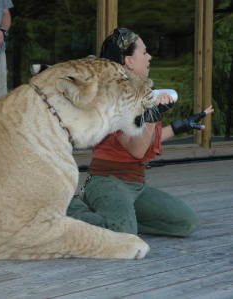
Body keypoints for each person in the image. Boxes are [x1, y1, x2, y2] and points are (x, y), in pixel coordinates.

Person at [67, 28, 215, 237]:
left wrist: (179, 126)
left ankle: (115, 218)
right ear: (129, 61)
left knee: (185, 223)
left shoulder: (141, 93)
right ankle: (68, 208)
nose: (149, 57)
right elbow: (136, 150)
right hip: (108, 183)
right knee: (123, 233)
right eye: (144, 53)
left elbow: (144, 141)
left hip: (135, 184)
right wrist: (151, 115)